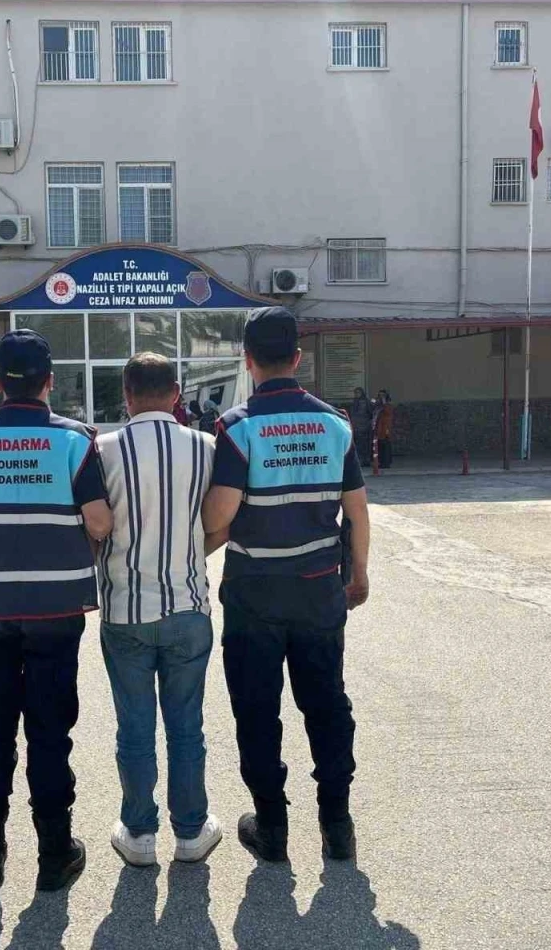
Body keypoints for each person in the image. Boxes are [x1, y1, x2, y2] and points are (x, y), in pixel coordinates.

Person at [201, 306, 371, 865]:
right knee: (326, 704)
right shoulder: (334, 424)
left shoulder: (237, 427)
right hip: (320, 588)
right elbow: (357, 511)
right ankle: (337, 824)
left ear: (247, 360)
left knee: (257, 710)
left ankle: (271, 828)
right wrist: (360, 573)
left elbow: (219, 515)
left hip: (255, 592)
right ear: (298, 358)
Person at [0, 329, 113, 892]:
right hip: (56, 608)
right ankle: (54, 855)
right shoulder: (74, 440)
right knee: (49, 729)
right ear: (50, 382)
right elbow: (99, 522)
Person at [94, 353, 228, 868]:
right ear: (176, 394)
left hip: (125, 609)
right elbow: (222, 520)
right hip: (188, 607)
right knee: (186, 725)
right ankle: (191, 832)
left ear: (126, 395)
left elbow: (92, 526)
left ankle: (139, 832)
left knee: (134, 727)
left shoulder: (102, 449)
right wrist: (193, 552)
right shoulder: (206, 447)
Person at [374, 389, 394, 469]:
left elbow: (388, 412)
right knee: (380, 446)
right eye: (380, 395)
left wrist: (384, 402)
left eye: (383, 395)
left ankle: (386, 462)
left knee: (385, 445)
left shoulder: (388, 404)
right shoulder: (378, 405)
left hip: (385, 428)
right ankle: (382, 461)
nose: (381, 397)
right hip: (379, 427)